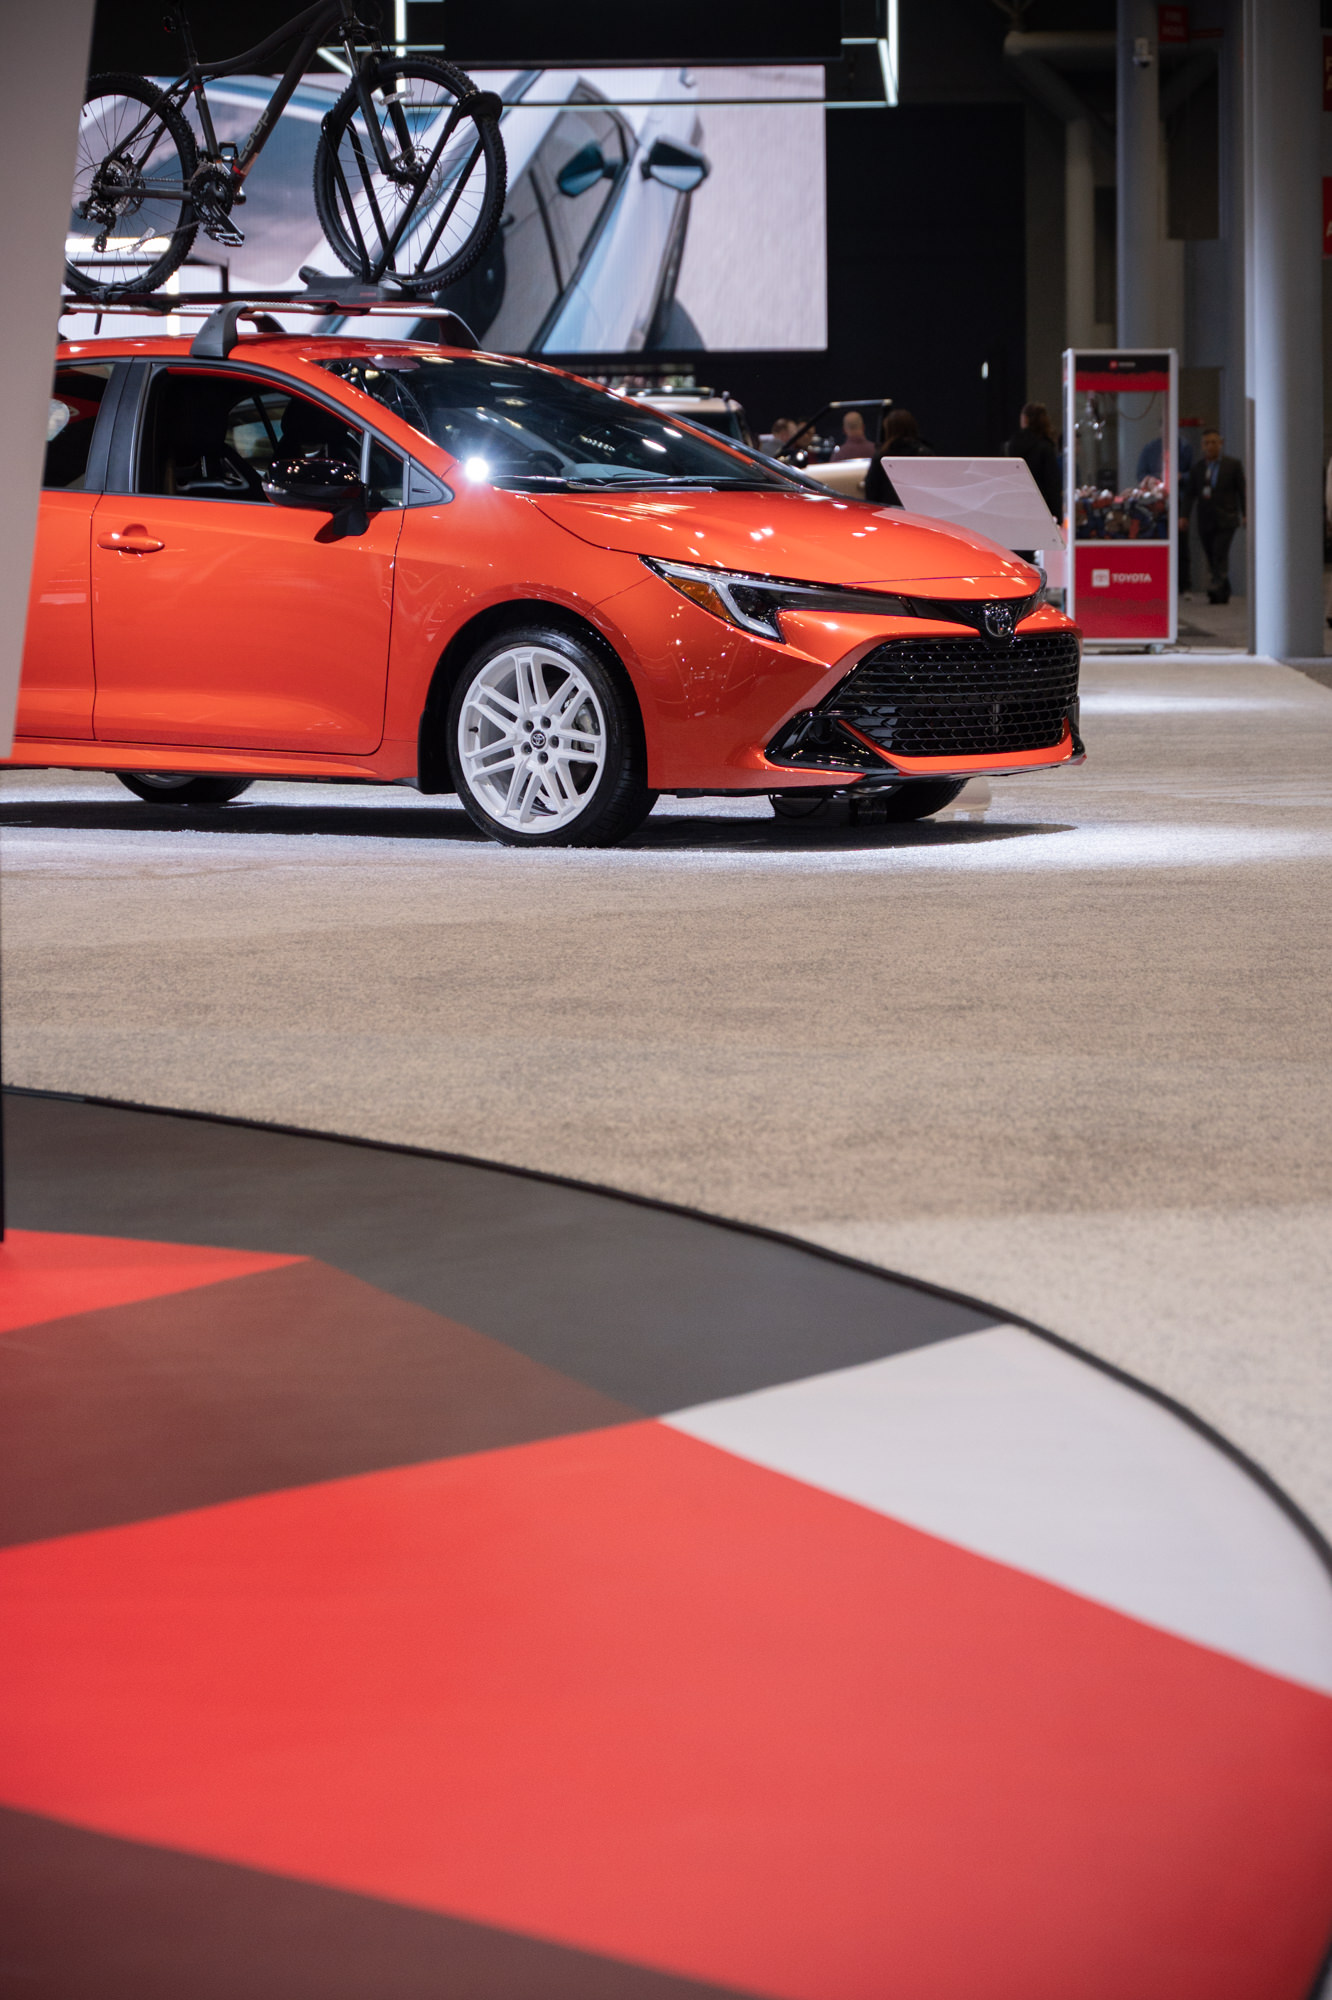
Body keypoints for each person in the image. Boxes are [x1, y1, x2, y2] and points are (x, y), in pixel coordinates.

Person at [1182, 429, 1246, 604]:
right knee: (1211, 554)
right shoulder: (1198, 468)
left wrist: (1245, 513)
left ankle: (1216, 586)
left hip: (1227, 517)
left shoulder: (1232, 465)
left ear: (1220, 443)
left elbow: (1242, 491)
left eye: (1213, 442)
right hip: (1205, 519)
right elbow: (1189, 494)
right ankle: (1223, 590)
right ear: (1202, 446)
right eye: (1207, 443)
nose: (1210, 446)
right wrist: (1184, 516)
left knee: (1219, 553)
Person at [1003, 401, 1061, 518]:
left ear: (1024, 419)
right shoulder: (1045, 446)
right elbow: (1052, 485)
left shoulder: (1011, 446)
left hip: (1015, 506)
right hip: (1040, 508)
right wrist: (1057, 515)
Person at [864, 407, 929, 504]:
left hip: (887, 509)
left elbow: (871, 488)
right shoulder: (923, 453)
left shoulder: (882, 456)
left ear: (888, 429)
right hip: (917, 508)